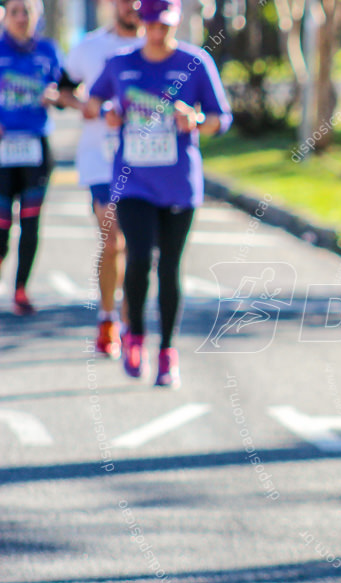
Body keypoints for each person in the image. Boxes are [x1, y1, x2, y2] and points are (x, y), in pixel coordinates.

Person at [86, 0, 231, 387]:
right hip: (133, 182)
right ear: (141, 20)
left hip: (179, 184)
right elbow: (93, 100)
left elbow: (222, 118)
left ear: (175, 21)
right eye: (150, 23)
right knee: (136, 257)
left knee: (169, 267)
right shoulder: (119, 62)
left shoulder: (195, 62)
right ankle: (134, 336)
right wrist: (106, 115)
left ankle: (167, 351)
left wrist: (196, 120)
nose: (156, 31)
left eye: (163, 24)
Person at [59, 0, 142, 356]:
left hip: (147, 162)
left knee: (139, 249)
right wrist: (84, 107)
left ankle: (130, 322)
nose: (133, 6)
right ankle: (109, 319)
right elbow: (60, 91)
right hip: (102, 160)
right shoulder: (89, 47)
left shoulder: (159, 44)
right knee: (113, 241)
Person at [0, 0, 61, 316]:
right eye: (15, 12)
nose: (22, 18)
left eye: (28, 11)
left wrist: (56, 96)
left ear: (37, 16)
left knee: (30, 222)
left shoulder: (49, 51)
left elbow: (69, 91)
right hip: (2, 148)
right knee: (1, 225)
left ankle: (21, 289)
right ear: (5, 16)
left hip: (36, 148)